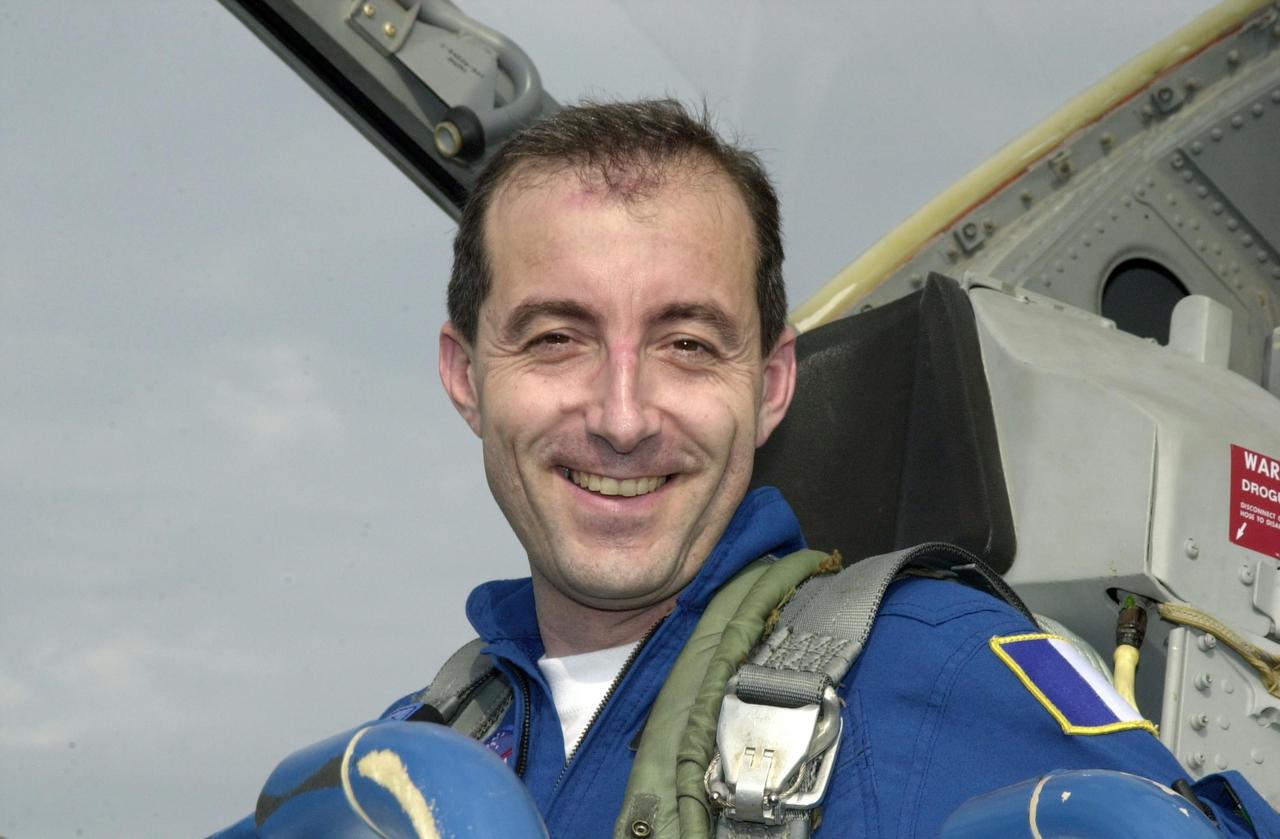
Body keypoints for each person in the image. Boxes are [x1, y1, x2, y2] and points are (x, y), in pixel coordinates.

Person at [217, 99, 1279, 838]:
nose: (622, 415)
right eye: (555, 338)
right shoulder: (405, 763)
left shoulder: (935, 672)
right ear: (465, 376)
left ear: (771, 385)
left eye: (686, 343)